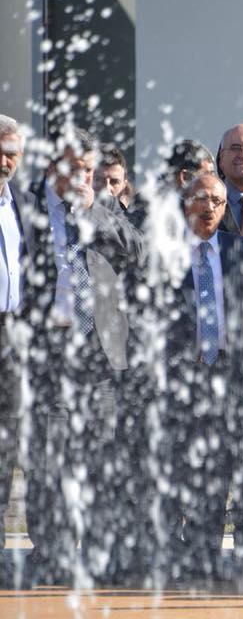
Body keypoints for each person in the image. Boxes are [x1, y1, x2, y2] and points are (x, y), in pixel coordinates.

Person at [21, 127, 144, 585]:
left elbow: (138, 252)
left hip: (98, 354)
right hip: (47, 349)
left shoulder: (103, 204)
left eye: (89, 169)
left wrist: (94, 208)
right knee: (49, 459)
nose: (84, 177)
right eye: (74, 168)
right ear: (52, 166)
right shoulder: (25, 204)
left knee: (100, 458)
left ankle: (96, 555)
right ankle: (50, 556)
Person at [159, 173, 243, 581]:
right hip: (180, 373)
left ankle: (209, 552)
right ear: (185, 203)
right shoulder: (164, 252)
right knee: (179, 466)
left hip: (227, 372)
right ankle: (176, 551)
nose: (209, 207)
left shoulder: (240, 251)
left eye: (217, 200)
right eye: (201, 198)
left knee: (219, 466)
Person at [0, 115, 32, 584]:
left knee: (8, 445)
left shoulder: (20, 203)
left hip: (12, 335)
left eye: (13, 153)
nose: (6, 160)